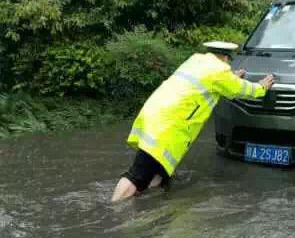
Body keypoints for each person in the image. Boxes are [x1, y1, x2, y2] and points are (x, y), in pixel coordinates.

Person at [111, 42, 275, 202]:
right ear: (226, 58)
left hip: (155, 114)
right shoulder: (219, 71)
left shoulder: (195, 61)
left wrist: (231, 79)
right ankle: (114, 209)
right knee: (137, 175)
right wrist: (262, 86)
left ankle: (148, 207)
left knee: (159, 174)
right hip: (167, 127)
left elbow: (210, 84)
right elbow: (243, 90)